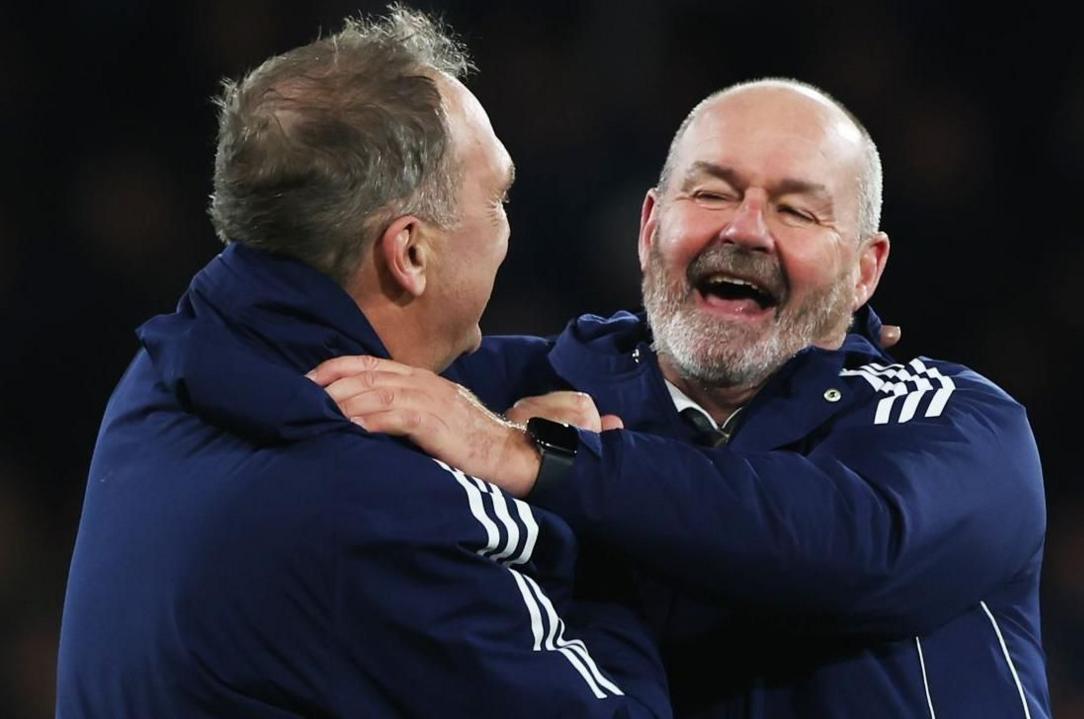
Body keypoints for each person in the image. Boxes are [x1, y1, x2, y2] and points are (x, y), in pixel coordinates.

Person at [312, 79, 1051, 717]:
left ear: (864, 269)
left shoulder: (957, 423)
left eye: (796, 210)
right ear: (649, 226)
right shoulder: (523, 384)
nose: (743, 228)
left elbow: (852, 545)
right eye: (711, 193)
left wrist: (550, 459)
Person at [56, 6, 670, 717]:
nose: (510, 221)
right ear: (409, 253)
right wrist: (589, 489)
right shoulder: (384, 517)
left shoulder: (164, 376)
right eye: (499, 197)